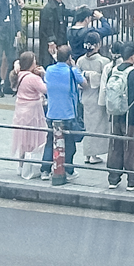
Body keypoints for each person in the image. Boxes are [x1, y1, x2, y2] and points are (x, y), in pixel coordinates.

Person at [104, 40, 134, 190]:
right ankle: (133, 179)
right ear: (133, 56)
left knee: (115, 145)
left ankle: (113, 178)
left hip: (115, 114)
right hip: (132, 117)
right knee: (131, 147)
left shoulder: (113, 70)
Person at [42, 43, 86, 177]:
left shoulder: (49, 70)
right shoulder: (72, 71)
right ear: (69, 58)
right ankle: (68, 169)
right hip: (68, 113)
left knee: (50, 141)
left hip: (52, 112)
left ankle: (45, 169)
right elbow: (84, 83)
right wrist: (74, 66)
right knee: (70, 143)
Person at [11, 52, 49, 177]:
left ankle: (20, 166)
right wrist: (43, 74)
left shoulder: (18, 74)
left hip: (20, 110)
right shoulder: (33, 78)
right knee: (34, 138)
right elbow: (45, 89)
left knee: (22, 139)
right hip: (33, 111)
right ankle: (32, 167)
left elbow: (17, 62)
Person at [75, 35, 112, 163]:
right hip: (97, 97)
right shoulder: (104, 61)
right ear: (97, 45)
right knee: (97, 127)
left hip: (85, 95)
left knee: (89, 125)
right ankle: (92, 154)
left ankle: (88, 154)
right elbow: (105, 80)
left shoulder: (80, 61)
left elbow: (77, 77)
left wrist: (85, 75)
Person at [37, 0, 70, 67]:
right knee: (50, 63)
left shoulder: (61, 5)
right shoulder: (48, 8)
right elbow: (47, 27)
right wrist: (51, 41)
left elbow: (66, 12)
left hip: (61, 39)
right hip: (53, 42)